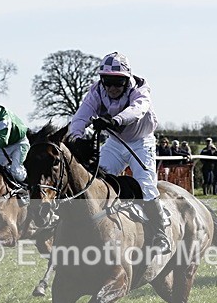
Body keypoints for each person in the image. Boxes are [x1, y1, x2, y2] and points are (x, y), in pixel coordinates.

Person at [68, 51, 171, 253]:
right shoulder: (97, 91)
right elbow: (81, 117)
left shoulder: (139, 88)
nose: (112, 88)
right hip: (115, 143)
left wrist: (115, 121)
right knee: (96, 182)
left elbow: (137, 109)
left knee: (145, 186)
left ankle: (160, 234)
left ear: (127, 81)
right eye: (107, 82)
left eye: (117, 83)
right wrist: (76, 138)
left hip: (141, 142)